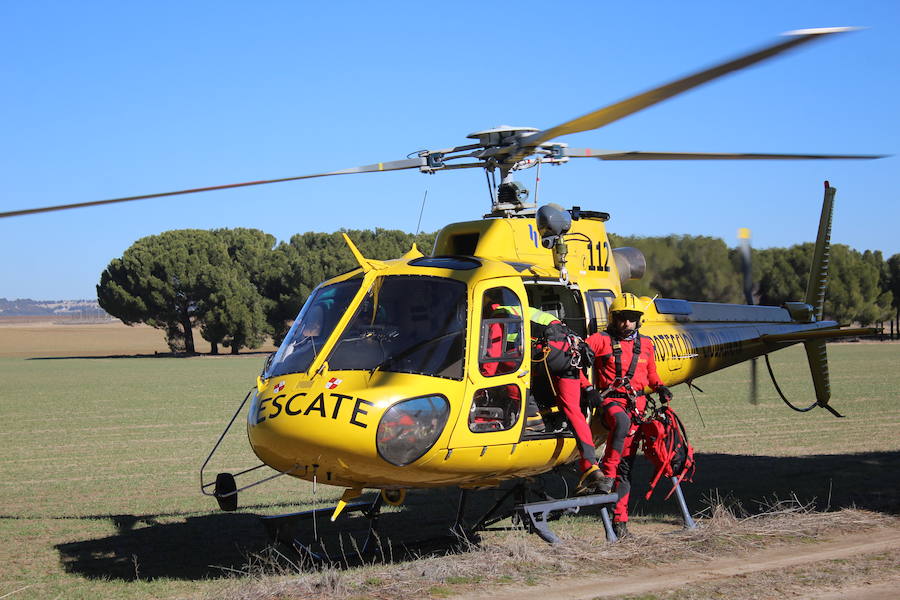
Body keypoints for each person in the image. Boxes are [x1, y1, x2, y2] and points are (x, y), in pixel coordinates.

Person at [485, 295, 603, 493]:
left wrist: (486, 383)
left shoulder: (497, 316)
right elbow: (565, 348)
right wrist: (587, 387)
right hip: (568, 355)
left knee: (511, 371)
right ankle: (591, 465)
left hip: (547, 354)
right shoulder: (526, 310)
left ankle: (532, 419)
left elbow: (493, 358)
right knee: (573, 410)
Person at [583, 292, 673, 538]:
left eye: (632, 319)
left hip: (638, 410)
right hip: (611, 404)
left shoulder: (646, 345)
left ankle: (620, 523)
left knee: (627, 470)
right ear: (614, 318)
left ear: (638, 321)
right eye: (622, 318)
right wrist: (588, 388)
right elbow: (575, 359)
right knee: (620, 422)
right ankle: (606, 475)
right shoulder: (600, 340)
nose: (626, 323)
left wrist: (660, 387)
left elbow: (651, 375)